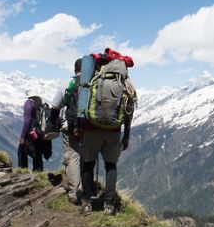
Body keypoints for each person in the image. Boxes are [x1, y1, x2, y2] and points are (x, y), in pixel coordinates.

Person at [79, 58, 135, 216]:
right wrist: (126, 136)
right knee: (111, 166)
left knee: (88, 164)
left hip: (92, 129)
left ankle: (86, 202)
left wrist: (81, 127)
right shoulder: (124, 85)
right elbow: (129, 113)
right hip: (114, 131)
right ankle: (109, 204)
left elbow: (84, 105)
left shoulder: (95, 80)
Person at [52, 59, 83, 204]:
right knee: (87, 158)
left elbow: (54, 107)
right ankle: (86, 190)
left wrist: (55, 123)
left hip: (70, 129)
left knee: (72, 158)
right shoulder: (95, 85)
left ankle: (74, 193)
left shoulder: (67, 84)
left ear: (74, 69)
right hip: (90, 130)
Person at [18, 91, 52, 172]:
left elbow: (27, 120)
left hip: (31, 132)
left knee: (21, 150)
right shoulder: (40, 105)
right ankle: (38, 172)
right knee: (38, 153)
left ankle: (23, 171)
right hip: (40, 133)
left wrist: (22, 136)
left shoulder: (28, 103)